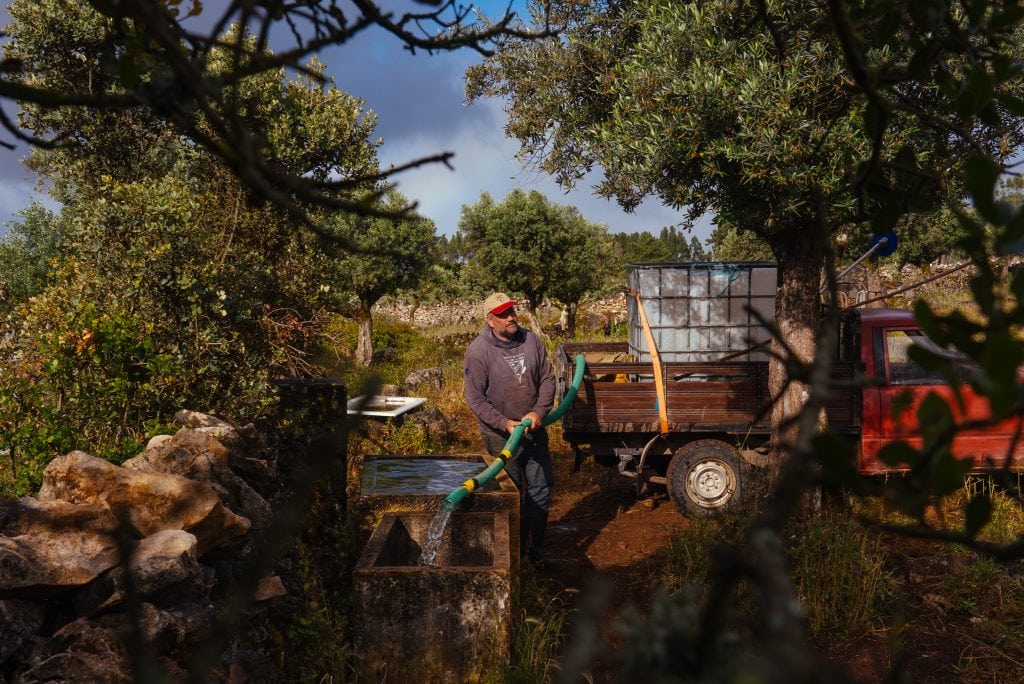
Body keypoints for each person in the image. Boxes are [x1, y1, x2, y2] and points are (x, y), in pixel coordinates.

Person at [464, 292, 557, 568]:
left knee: (540, 491)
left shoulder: (531, 340)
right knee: (510, 497)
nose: (511, 317)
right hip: (501, 438)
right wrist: (505, 423)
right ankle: (512, 560)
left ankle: (536, 553)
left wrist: (538, 412)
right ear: (490, 320)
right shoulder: (478, 352)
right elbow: (476, 399)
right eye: (504, 314)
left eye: (512, 311)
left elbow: (548, 379)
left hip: (534, 431)